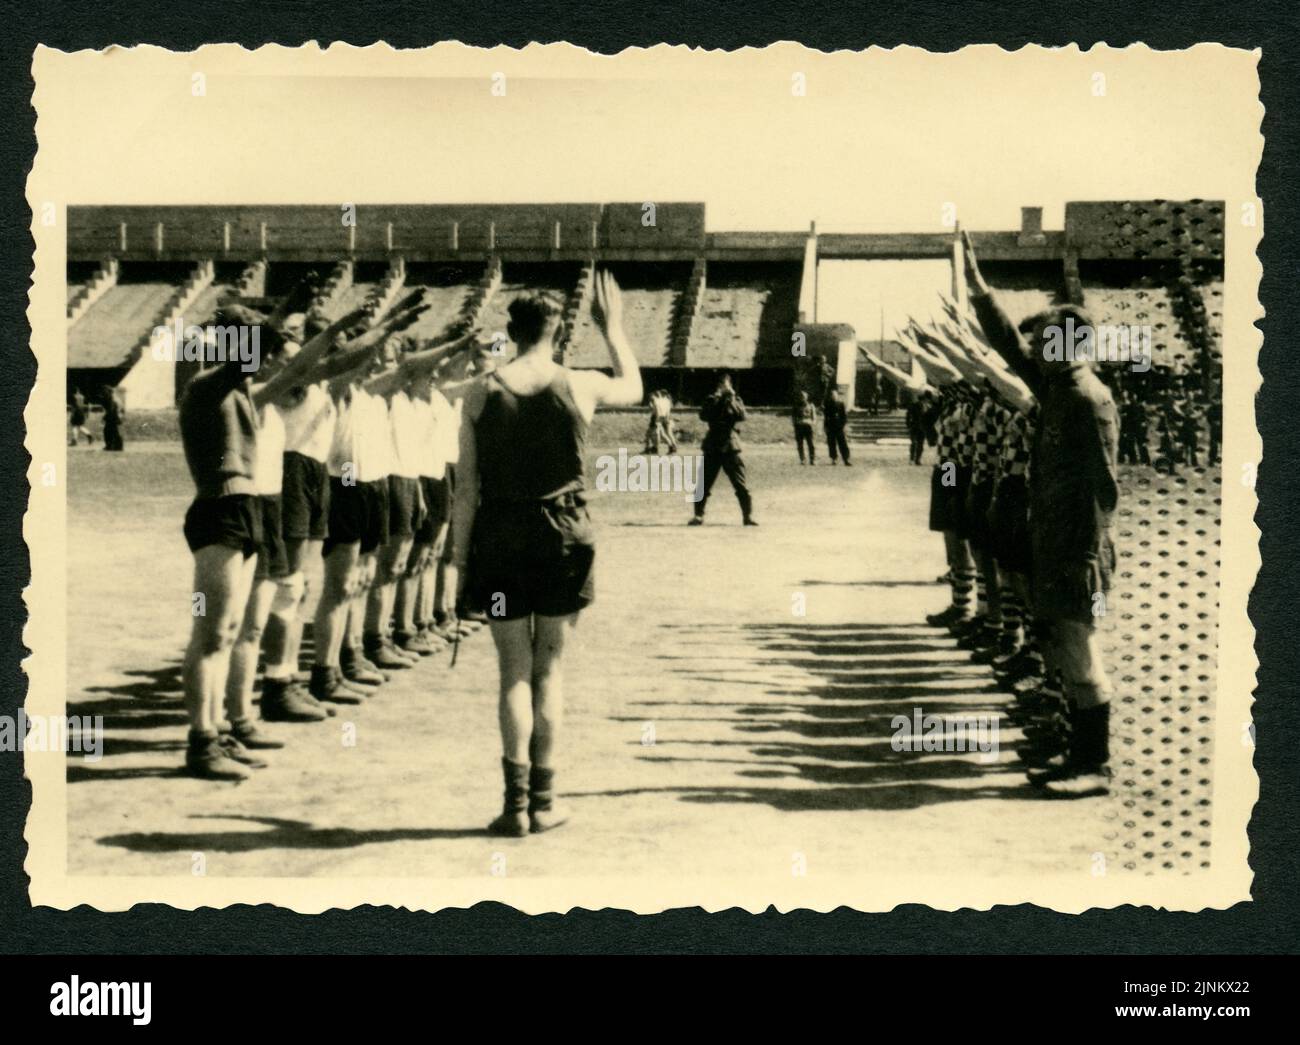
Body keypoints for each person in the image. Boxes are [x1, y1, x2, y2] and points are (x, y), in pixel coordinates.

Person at [451, 272, 642, 836]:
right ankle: (544, 802)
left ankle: (513, 808)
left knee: (513, 671)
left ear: (511, 331)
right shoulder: (579, 383)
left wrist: (462, 567)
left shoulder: (480, 392)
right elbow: (632, 386)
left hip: (501, 533)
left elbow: (465, 491)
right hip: (563, 534)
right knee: (549, 671)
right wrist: (614, 330)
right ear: (557, 330)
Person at [964, 231, 1119, 798]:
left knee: (1078, 657)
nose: (1036, 351)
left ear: (1070, 345)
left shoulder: (1086, 400)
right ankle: (1072, 753)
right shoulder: (1058, 389)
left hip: (1076, 554)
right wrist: (980, 294)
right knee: (1058, 649)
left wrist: (1081, 559)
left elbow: (1102, 492)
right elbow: (1009, 347)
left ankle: (1093, 765)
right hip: (1053, 546)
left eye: (1045, 342)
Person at [690, 372, 757, 525]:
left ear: (731, 386)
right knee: (703, 483)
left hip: (730, 445)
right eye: (721, 384)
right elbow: (705, 415)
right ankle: (698, 515)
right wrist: (718, 398)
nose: (724, 387)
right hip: (712, 445)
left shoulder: (736, 400)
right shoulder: (710, 400)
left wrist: (731, 399)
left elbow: (742, 416)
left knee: (740, 484)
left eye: (727, 384)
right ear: (718, 386)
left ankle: (747, 516)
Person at [823, 387, 851, 466]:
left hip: (839, 426)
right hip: (831, 426)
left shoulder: (840, 404)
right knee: (831, 443)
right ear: (831, 396)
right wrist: (825, 426)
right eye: (832, 395)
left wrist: (843, 425)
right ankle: (833, 458)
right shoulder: (828, 404)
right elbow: (826, 416)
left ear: (837, 396)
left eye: (835, 395)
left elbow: (844, 416)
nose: (834, 396)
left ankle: (846, 459)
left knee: (842, 443)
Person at [643, 388, 678, 454]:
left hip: (656, 418)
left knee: (652, 434)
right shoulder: (665, 401)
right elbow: (666, 411)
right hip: (661, 418)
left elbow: (656, 410)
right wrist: (666, 418)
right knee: (661, 434)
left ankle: (654, 448)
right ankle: (670, 446)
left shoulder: (656, 402)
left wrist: (657, 419)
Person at [792, 389, 816, 465]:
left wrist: (812, 423)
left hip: (808, 427)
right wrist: (795, 424)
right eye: (801, 397)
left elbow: (814, 417)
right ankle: (802, 459)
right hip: (799, 427)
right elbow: (793, 417)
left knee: (811, 444)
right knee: (800, 444)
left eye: (804, 397)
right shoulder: (796, 406)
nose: (803, 398)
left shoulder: (811, 406)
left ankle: (812, 459)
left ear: (807, 397)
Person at [101, 385, 124, 451]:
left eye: (104, 392)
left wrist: (104, 417)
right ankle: (116, 446)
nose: (103, 393)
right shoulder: (113, 397)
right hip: (114, 417)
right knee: (113, 431)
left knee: (109, 431)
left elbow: (111, 409)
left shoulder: (112, 398)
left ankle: (111, 446)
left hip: (113, 417)